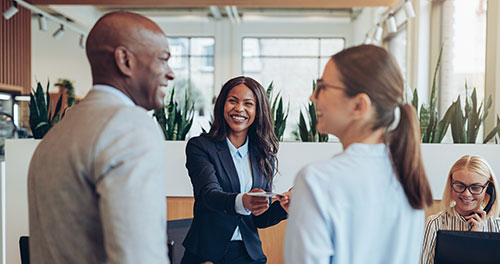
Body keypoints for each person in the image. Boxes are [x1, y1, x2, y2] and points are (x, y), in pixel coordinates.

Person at [27, 11, 174, 264]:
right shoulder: (130, 125)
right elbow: (137, 256)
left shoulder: (56, 134)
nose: (170, 73)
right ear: (125, 60)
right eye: (162, 59)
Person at [284, 44, 433, 264]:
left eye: (322, 87)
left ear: (359, 106)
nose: (312, 97)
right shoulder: (408, 177)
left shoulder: (317, 181)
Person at [181, 76, 290, 264]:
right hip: (206, 255)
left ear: (257, 111)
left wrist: (283, 208)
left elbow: (259, 220)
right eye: (233, 101)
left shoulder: (264, 155)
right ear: (222, 104)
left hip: (249, 255)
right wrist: (244, 201)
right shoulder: (200, 146)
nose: (239, 109)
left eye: (248, 103)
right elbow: (209, 195)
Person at [420, 155, 500, 264]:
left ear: (489, 189)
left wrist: (477, 238)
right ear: (451, 184)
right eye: (459, 185)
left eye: (476, 187)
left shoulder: (497, 226)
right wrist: (472, 239)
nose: (466, 194)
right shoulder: (435, 223)